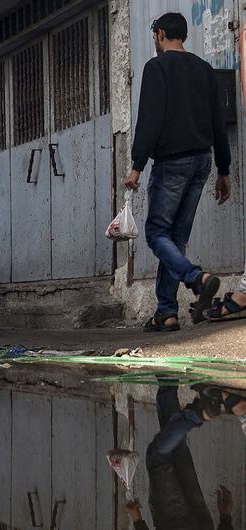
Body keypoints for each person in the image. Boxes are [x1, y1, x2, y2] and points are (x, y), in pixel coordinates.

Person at [128, 12, 230, 332]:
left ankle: (197, 279)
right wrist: (224, 169)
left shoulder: (156, 67)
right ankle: (167, 312)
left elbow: (149, 119)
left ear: (160, 34)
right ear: (182, 35)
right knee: (176, 239)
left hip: (172, 163)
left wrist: (136, 165)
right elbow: (218, 121)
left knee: (157, 233)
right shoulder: (203, 69)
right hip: (202, 162)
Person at [125, 383, 233, 530]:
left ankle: (169, 385)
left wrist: (225, 518)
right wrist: (137, 519)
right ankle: (197, 413)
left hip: (202, 524)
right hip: (172, 520)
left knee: (174, 442)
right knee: (157, 457)